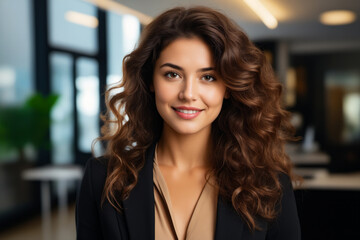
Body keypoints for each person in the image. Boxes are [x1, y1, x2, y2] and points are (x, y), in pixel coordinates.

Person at [76, 6, 301, 240]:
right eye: (173, 74)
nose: (188, 94)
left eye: (208, 77)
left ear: (228, 88)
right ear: (150, 80)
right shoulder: (102, 179)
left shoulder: (268, 185)